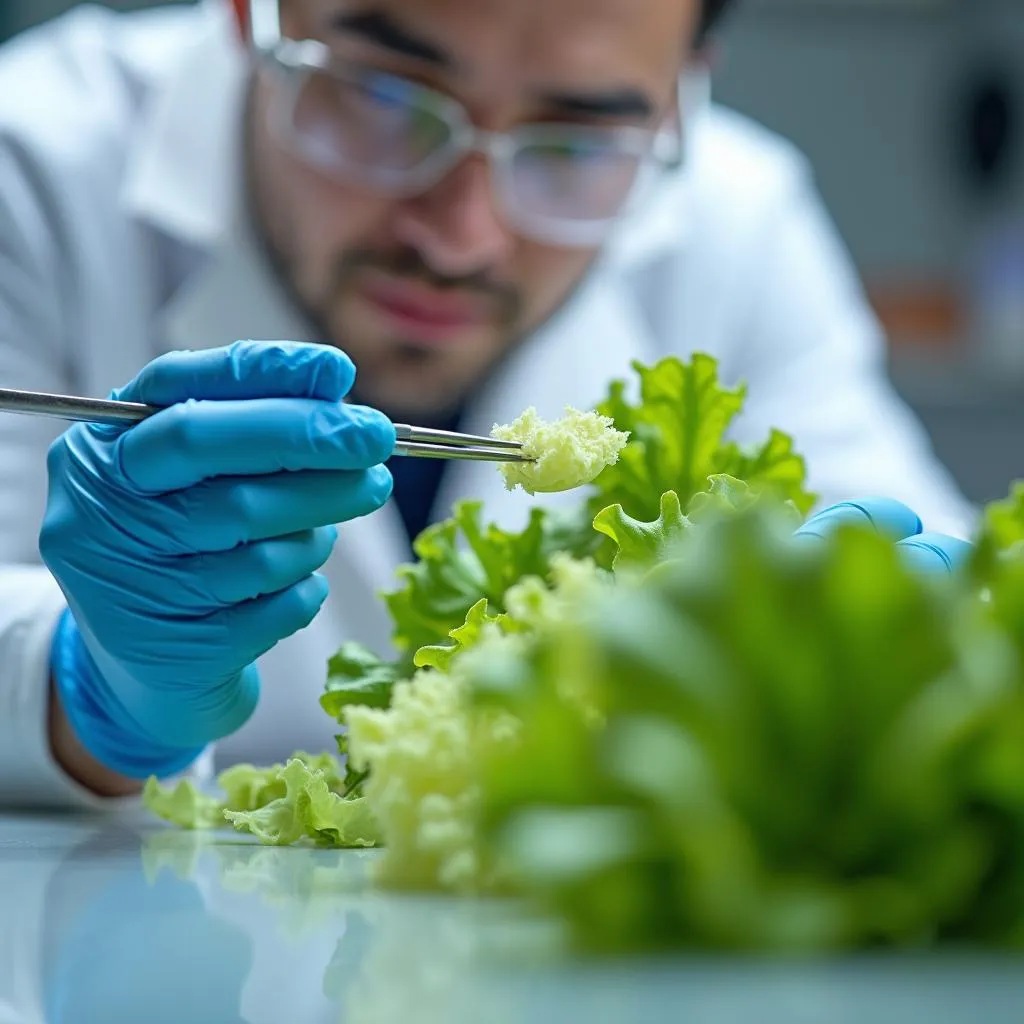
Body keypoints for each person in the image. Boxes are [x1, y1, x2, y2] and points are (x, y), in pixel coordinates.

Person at [0, 0, 977, 810]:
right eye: (385, 97)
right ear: (254, 14)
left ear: (683, 90)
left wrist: (882, 637)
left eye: (576, 139)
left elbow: (940, 588)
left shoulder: (739, 221)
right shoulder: (35, 162)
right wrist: (87, 684)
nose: (460, 237)